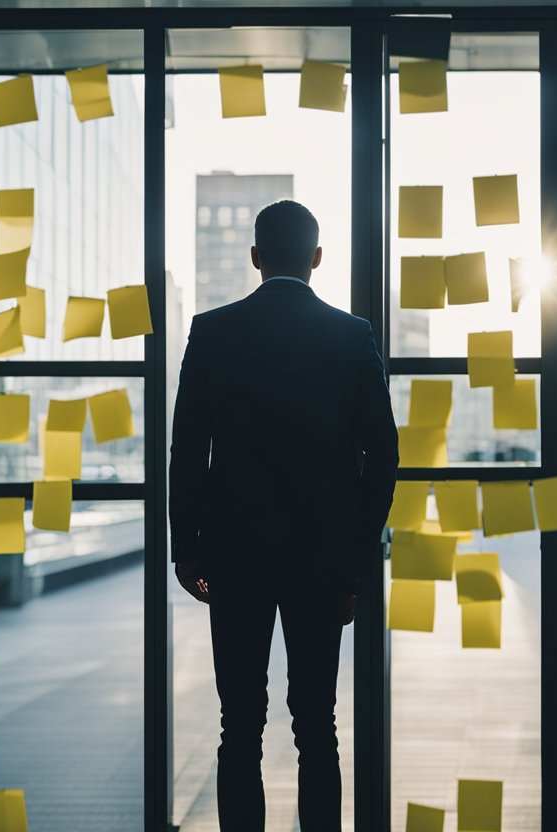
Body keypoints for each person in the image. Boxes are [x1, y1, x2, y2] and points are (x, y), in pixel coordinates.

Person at [169, 200, 399, 831]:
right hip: (322, 566)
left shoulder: (212, 333)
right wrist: (354, 559)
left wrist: (185, 551)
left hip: (234, 560)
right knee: (316, 727)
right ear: (317, 258)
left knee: (238, 726)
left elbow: (186, 451)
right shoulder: (351, 337)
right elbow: (383, 461)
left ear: (255, 257)